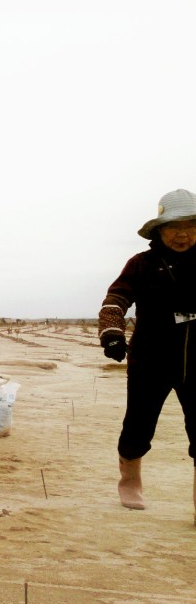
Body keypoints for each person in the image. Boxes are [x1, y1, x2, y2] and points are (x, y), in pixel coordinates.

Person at [99, 188, 196, 515]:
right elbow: (116, 298)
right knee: (138, 427)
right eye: (173, 226)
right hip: (151, 360)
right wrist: (112, 333)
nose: (182, 234)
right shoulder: (142, 264)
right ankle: (130, 481)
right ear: (159, 230)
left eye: (191, 225)